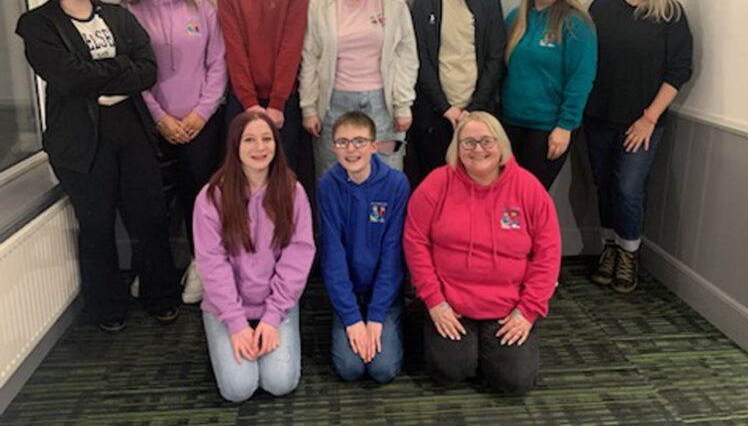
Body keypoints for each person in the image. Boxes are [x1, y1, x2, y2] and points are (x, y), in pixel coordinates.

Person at [16, 0, 180, 332]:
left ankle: (160, 296)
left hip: (130, 128)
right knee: (96, 224)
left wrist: (104, 75)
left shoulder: (119, 16)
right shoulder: (39, 25)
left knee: (150, 216)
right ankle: (107, 308)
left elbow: (147, 70)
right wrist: (119, 68)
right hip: (80, 137)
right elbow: (68, 79)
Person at [403, 111, 561, 393]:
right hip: (451, 303)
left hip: (507, 306)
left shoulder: (528, 188)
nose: (478, 150)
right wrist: (434, 301)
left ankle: (482, 347)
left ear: (501, 145)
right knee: (448, 371)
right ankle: (437, 328)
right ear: (456, 148)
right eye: (468, 143)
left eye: (487, 141)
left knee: (515, 382)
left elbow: (548, 255)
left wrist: (527, 311)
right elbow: (414, 241)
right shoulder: (437, 184)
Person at [123, 0, 227, 304]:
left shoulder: (200, 6)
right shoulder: (128, 12)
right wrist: (160, 117)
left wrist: (200, 113)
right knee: (153, 205)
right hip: (153, 125)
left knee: (200, 198)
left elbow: (217, 63)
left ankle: (201, 267)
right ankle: (156, 271)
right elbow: (132, 73)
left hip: (202, 122)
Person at [586, 0, 693, 293]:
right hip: (599, 117)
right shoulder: (601, 9)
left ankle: (629, 253)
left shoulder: (670, 14)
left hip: (643, 123)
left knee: (628, 189)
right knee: (604, 186)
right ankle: (608, 250)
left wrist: (649, 118)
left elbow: (679, 71)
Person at [193, 111, 315, 403]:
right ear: (235, 146)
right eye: (249, 140)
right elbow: (212, 264)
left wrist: (273, 317)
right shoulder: (211, 197)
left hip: (276, 304)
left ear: (276, 144)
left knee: (279, 382)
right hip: (226, 308)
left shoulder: (293, 191)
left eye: (266, 139)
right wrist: (235, 324)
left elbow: (298, 256)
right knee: (238, 388)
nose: (259, 148)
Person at [299, 0, 418, 180]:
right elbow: (311, 56)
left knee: (387, 174)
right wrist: (309, 107)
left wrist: (403, 104)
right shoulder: (322, 1)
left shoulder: (394, 1)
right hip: (333, 104)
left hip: (382, 105)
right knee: (332, 175)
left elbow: (406, 54)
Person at [317, 111, 410, 383]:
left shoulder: (396, 184)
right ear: (333, 148)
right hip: (348, 293)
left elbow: (393, 256)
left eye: (359, 141)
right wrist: (352, 318)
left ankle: (395, 322)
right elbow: (332, 257)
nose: (351, 149)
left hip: (384, 294)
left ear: (374, 145)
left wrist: (377, 315)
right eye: (343, 142)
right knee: (350, 368)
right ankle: (351, 319)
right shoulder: (327, 186)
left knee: (383, 370)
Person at [410, 0, 506, 185]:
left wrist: (472, 110)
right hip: (435, 112)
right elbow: (421, 58)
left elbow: (494, 59)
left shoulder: (488, 0)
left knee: (476, 181)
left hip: (478, 111)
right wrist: (446, 107)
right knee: (435, 182)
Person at [217, 0, 308, 169]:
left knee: (283, 175)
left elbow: (291, 49)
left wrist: (277, 103)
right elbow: (234, 50)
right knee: (242, 175)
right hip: (243, 100)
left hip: (284, 101)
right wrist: (250, 103)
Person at [501, 0, 597, 190]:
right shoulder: (515, 18)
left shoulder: (575, 24)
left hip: (547, 129)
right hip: (509, 124)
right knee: (505, 197)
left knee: (530, 199)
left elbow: (581, 79)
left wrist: (565, 126)